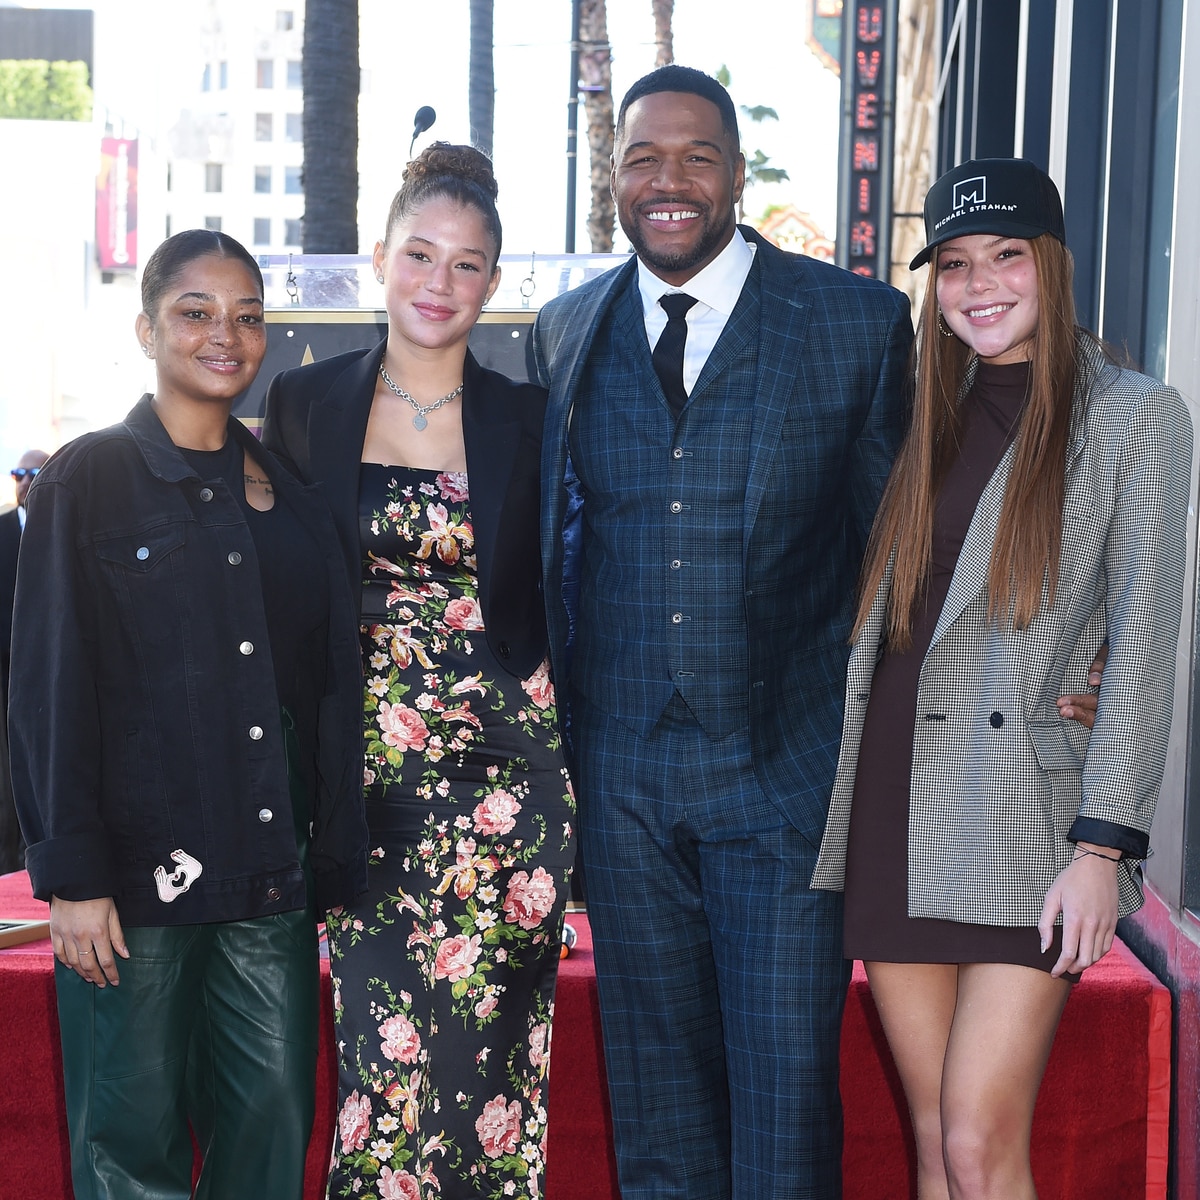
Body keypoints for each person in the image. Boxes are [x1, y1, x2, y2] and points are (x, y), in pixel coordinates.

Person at [532, 65, 913, 1198]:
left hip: (786, 780)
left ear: (738, 173)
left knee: (788, 1105)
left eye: (697, 156)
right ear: (613, 178)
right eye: (644, 158)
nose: (669, 181)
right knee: (657, 1111)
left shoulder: (854, 322)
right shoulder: (565, 331)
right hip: (626, 783)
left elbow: (901, 562)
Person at [811, 158, 1192, 1199]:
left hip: (1028, 819)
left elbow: (1148, 638)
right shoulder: (924, 408)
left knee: (982, 1146)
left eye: (1007, 256)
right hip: (895, 804)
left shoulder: (1135, 417)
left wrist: (1104, 847)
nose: (980, 284)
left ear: (1053, 265)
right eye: (956, 264)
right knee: (936, 1145)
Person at [10, 229, 367, 1200]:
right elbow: (48, 687)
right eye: (196, 312)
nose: (227, 335)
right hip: (134, 893)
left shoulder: (291, 498)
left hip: (269, 886)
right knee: (128, 1154)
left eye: (248, 316)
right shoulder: (86, 480)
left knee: (273, 1131)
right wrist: (72, 878)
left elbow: (321, 697)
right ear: (146, 328)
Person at [262, 144, 575, 1200]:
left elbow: (579, 591)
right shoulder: (306, 406)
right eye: (421, 256)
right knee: (385, 1069)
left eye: (468, 265)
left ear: (495, 282)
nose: (439, 286)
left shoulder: (534, 420)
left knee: (492, 1070)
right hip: (370, 785)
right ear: (381, 260)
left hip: (511, 784)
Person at [0, 447, 47, 874]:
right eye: (19, 473)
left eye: (35, 472)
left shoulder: (67, 530)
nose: (25, 480)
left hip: (52, 673)